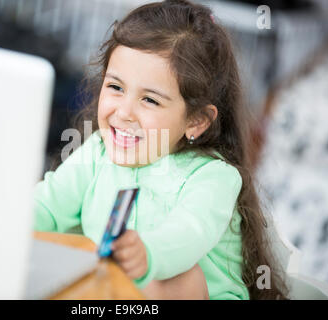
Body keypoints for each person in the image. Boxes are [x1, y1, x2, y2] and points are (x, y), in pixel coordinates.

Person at [34, 0, 288, 300]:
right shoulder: (96, 152)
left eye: (150, 100)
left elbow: (186, 233)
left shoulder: (215, 177)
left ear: (196, 121)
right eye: (116, 87)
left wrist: (147, 254)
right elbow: (46, 207)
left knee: (175, 277)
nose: (125, 112)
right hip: (114, 296)